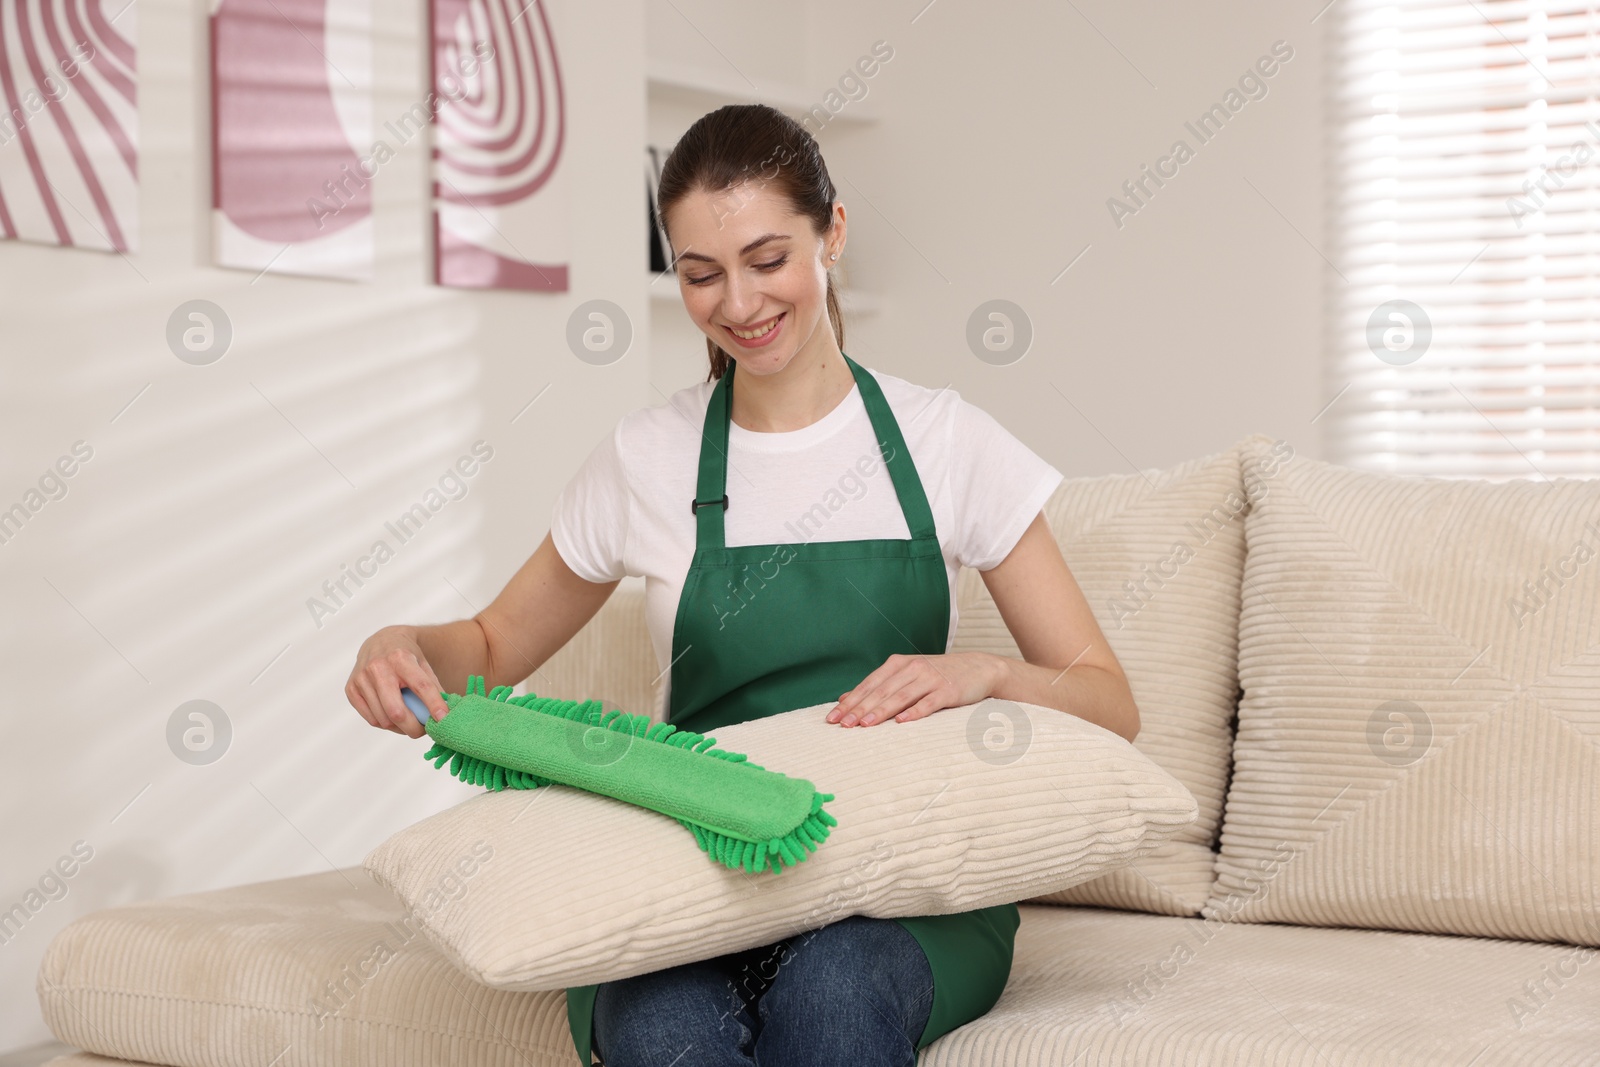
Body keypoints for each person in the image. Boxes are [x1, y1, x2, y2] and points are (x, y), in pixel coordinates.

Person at [345, 103, 1140, 1067]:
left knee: (835, 998)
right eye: (701, 273)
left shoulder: (947, 441)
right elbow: (489, 641)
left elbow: (1107, 701)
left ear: (832, 234)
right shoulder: (647, 457)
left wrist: (986, 675)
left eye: (768, 260)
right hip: (697, 872)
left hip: (900, 887)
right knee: (661, 1030)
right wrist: (402, 643)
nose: (739, 304)